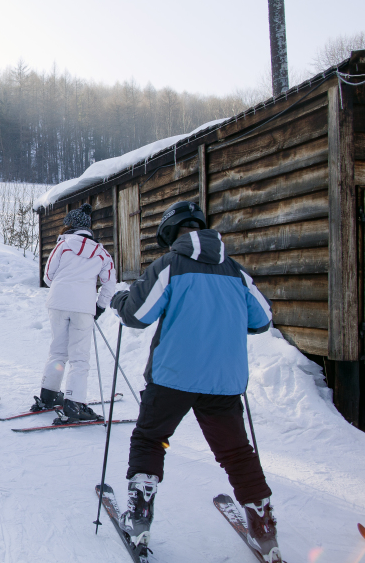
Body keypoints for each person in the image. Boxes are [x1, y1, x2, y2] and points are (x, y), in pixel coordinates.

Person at [109, 201, 278, 562]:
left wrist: (120, 299)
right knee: (235, 452)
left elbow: (137, 316)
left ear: (171, 234)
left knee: (151, 439)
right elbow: (263, 318)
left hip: (173, 377)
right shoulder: (236, 272)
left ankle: (139, 515)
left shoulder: (169, 265)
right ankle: (263, 525)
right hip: (224, 380)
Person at [39, 202, 115, 421]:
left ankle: (49, 394)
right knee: (79, 357)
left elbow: (48, 276)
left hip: (58, 302)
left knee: (58, 351)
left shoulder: (62, 246)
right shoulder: (101, 252)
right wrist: (99, 306)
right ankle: (74, 403)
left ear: (69, 225)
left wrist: (63, 286)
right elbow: (109, 284)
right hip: (83, 306)